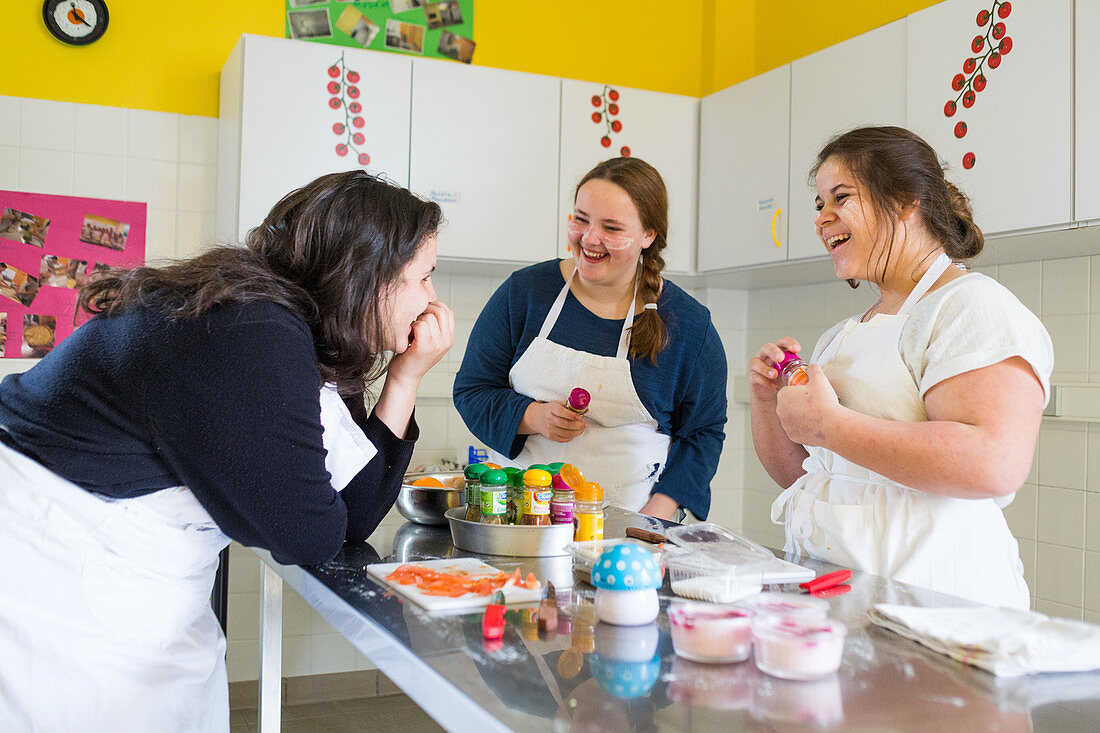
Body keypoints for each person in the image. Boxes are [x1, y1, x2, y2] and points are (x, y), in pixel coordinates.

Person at [0, 170, 454, 730]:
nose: (433, 300)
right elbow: (310, 534)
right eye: (424, 278)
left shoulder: (303, 336)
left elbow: (348, 520)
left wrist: (405, 380)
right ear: (367, 279)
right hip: (50, 555)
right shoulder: (253, 331)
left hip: (122, 567)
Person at [750, 126, 1052, 610]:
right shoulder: (845, 333)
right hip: (842, 597)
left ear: (906, 199)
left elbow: (993, 463)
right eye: (818, 204)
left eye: (840, 197)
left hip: (939, 606)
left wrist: (829, 424)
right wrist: (769, 401)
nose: (822, 218)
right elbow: (804, 474)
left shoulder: (970, 307)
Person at [453, 157, 726, 521]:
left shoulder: (689, 325)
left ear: (649, 236)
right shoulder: (525, 294)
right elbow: (472, 390)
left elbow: (703, 434)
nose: (589, 239)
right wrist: (532, 417)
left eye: (611, 228)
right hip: (519, 524)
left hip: (631, 534)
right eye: (581, 219)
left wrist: (652, 518)